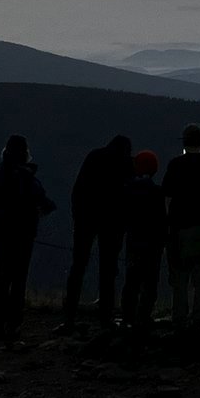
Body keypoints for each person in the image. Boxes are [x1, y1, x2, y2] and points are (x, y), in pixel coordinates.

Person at [0, 135, 56, 343]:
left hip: (1, 230)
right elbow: (45, 202)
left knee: (1, 277)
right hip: (25, 232)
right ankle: (14, 324)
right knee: (19, 279)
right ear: (25, 153)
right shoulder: (29, 176)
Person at [60, 135, 133, 332]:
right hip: (113, 225)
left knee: (78, 267)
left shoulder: (94, 157)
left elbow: (78, 189)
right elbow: (129, 198)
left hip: (86, 220)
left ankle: (69, 317)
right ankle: (105, 318)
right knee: (108, 271)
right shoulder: (127, 163)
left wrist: (78, 216)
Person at [162, 123, 200, 335]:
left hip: (178, 227)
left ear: (184, 143)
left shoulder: (175, 164)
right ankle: (198, 320)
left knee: (179, 277)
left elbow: (167, 196)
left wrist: (169, 221)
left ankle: (179, 319)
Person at [121, 150, 168, 333]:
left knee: (131, 281)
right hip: (153, 245)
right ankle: (143, 317)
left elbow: (124, 216)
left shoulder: (127, 190)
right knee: (150, 283)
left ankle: (127, 318)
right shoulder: (157, 192)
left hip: (134, 241)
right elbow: (162, 220)